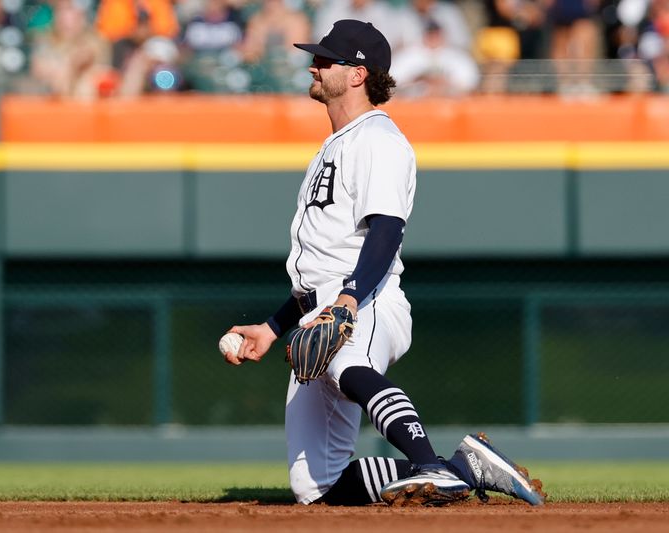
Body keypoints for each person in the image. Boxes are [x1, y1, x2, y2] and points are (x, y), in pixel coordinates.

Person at [223, 19, 546, 507]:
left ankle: (430, 464)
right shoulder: (338, 142)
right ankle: (463, 467)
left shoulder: (377, 139)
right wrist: (272, 327)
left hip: (367, 299)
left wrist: (349, 302)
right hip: (320, 306)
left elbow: (387, 229)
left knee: (347, 361)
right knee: (315, 488)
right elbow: (318, 269)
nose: (315, 64)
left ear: (357, 74)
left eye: (326, 59)